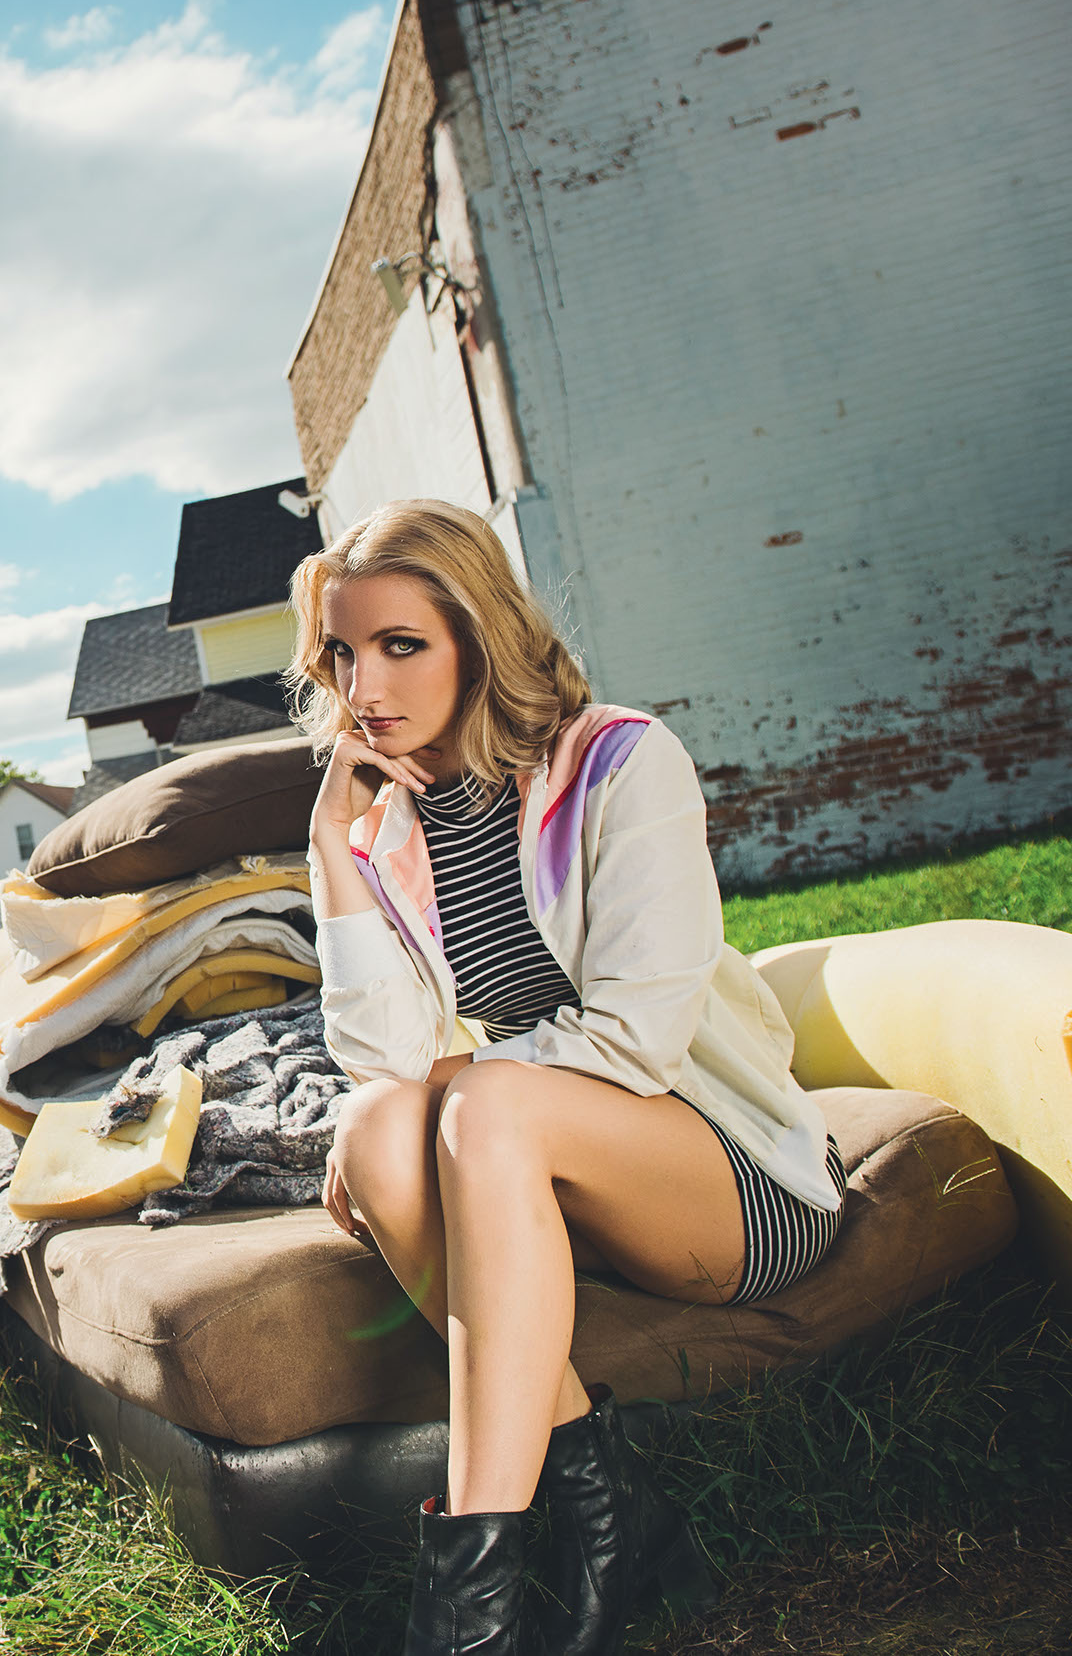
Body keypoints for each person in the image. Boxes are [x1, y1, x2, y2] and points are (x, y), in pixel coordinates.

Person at [294, 499, 846, 1656]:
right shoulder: (388, 822)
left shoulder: (621, 760)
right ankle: (613, 1517)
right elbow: (385, 1063)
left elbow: (637, 1040)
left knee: (476, 1101)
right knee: (374, 1131)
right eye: (341, 651)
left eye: (401, 644)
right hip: (536, 1181)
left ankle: (467, 1614)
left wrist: (466, 1077)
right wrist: (328, 849)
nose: (362, 685)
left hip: (726, 1177)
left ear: (476, 638)